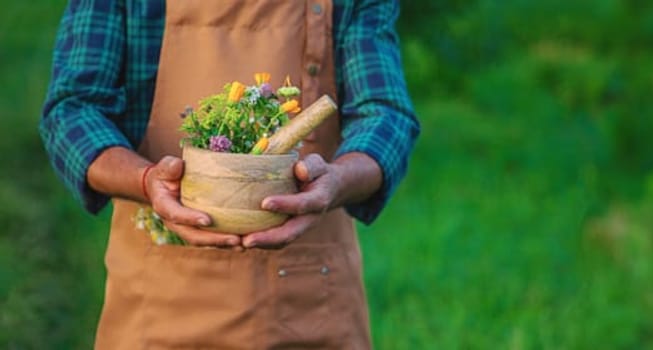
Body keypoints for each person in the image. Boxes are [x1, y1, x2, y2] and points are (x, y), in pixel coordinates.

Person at [38, 0, 417, 347]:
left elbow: (385, 114)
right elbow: (74, 109)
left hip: (308, 298)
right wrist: (146, 181)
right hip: (158, 305)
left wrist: (336, 182)